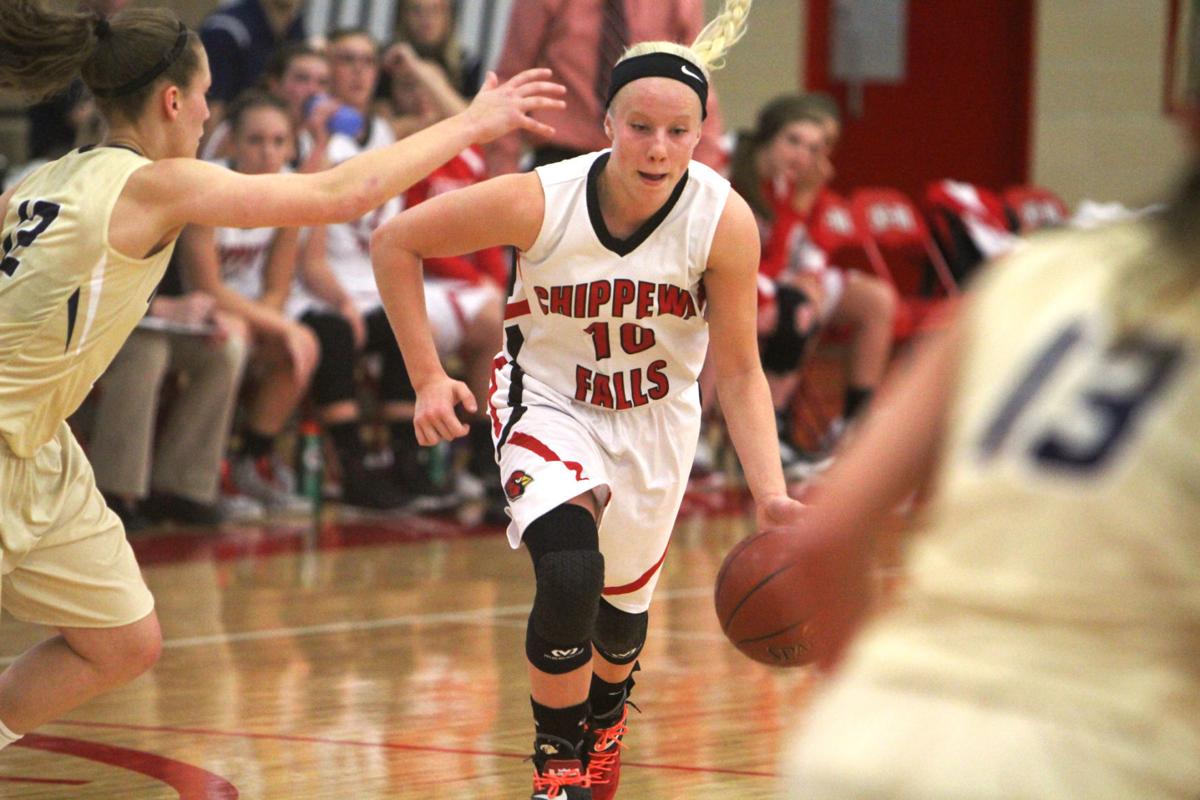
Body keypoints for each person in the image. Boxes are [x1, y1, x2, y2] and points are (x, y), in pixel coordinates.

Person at [0, 0, 563, 750]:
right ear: (173, 101)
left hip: (38, 445)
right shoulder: (154, 184)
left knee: (121, 642)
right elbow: (338, 195)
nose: (208, 114)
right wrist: (471, 122)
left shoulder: (45, 182)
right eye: (203, 98)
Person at [371, 1, 804, 797]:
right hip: (549, 398)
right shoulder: (542, 198)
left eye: (679, 132)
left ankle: (607, 720)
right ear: (605, 122)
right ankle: (557, 769)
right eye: (640, 126)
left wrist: (770, 494)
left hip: (655, 417)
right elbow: (396, 241)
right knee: (570, 573)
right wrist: (430, 375)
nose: (658, 147)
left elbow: (740, 372)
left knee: (619, 620)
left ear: (703, 133)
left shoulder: (722, 221)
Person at [777, 79, 1200, 800]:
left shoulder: (1036, 270)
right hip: (1100, 755)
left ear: (1184, 112)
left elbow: (825, 532)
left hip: (869, 733)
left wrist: (875, 694)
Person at [297, 29, 505, 510]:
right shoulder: (334, 131)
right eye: (345, 61)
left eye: (367, 62)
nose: (357, 71)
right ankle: (356, 466)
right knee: (355, 331)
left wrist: (419, 69)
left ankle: (423, 462)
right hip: (327, 287)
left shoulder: (388, 135)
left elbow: (471, 125)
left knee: (424, 326)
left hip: (374, 284)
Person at [735, 94, 896, 466]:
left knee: (876, 299)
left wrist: (809, 274)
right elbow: (772, 254)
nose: (807, 155)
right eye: (797, 141)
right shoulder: (745, 173)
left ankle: (854, 425)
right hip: (757, 281)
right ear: (772, 135)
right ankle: (773, 421)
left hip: (788, 277)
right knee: (802, 306)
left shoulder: (808, 179)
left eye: (819, 146)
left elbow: (816, 246)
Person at [176, 91, 318, 514]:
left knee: (299, 350)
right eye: (255, 140)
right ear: (232, 144)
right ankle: (209, 470)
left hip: (253, 309)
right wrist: (277, 325)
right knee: (243, 338)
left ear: (291, 147)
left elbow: (278, 284)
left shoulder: (292, 192)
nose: (267, 152)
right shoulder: (208, 188)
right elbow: (207, 286)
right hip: (197, 306)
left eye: (278, 141)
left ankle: (251, 460)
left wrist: (275, 326)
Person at [85, 262, 254, 529]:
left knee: (224, 352)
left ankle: (181, 488)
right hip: (98, 322)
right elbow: (82, 282)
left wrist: (206, 313)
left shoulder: (180, 224)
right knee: (147, 352)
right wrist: (158, 307)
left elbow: (186, 279)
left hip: (156, 320)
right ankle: (114, 492)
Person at [486, 0, 728, 175]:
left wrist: (699, 184)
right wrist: (504, 179)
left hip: (643, 162)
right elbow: (512, 82)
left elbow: (696, 84)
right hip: (560, 162)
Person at [198, 0, 306, 147]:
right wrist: (206, 160)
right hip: (229, 143)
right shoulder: (226, 30)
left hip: (275, 136)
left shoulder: (295, 27)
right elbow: (212, 104)